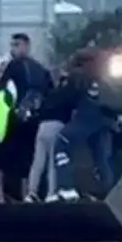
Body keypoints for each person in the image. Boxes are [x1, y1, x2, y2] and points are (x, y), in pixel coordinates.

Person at [50, 50, 122, 202]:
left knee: (62, 143)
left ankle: (66, 187)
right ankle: (109, 195)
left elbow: (64, 98)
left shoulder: (80, 75)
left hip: (86, 119)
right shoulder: (108, 78)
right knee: (101, 158)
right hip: (106, 124)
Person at [0, 33, 52, 201]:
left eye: (17, 45)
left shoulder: (13, 67)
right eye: (12, 45)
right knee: (27, 157)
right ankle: (26, 194)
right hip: (33, 120)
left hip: (10, 120)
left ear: (26, 46)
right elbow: (49, 92)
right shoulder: (40, 69)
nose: (13, 48)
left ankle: (1, 195)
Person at [26, 64, 79, 201]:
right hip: (57, 126)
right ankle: (51, 193)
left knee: (38, 162)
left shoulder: (48, 94)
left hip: (42, 127)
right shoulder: (66, 93)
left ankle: (31, 192)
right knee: (53, 162)